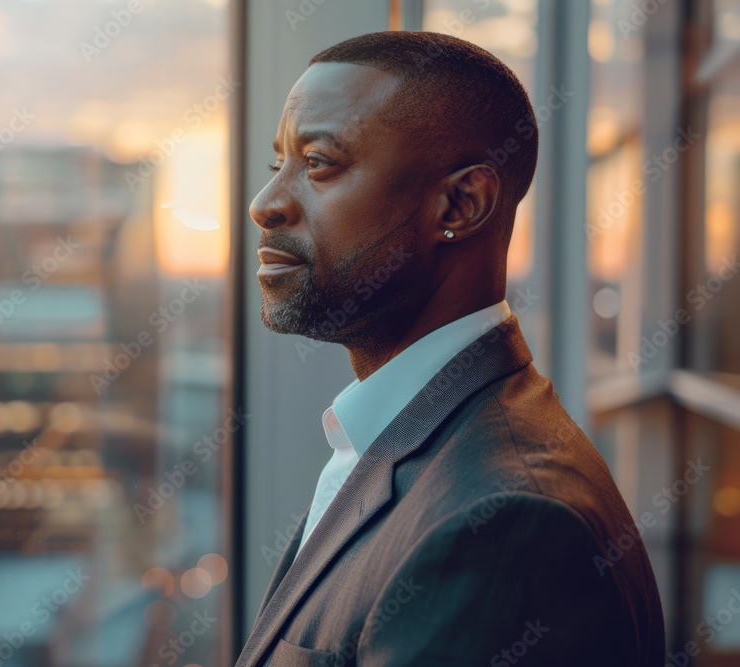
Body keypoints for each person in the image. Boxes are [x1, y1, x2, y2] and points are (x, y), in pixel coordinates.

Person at [238, 31, 665, 666]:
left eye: (319, 163)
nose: (265, 205)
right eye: (280, 166)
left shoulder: (506, 526)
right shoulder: (410, 443)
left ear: (461, 204)